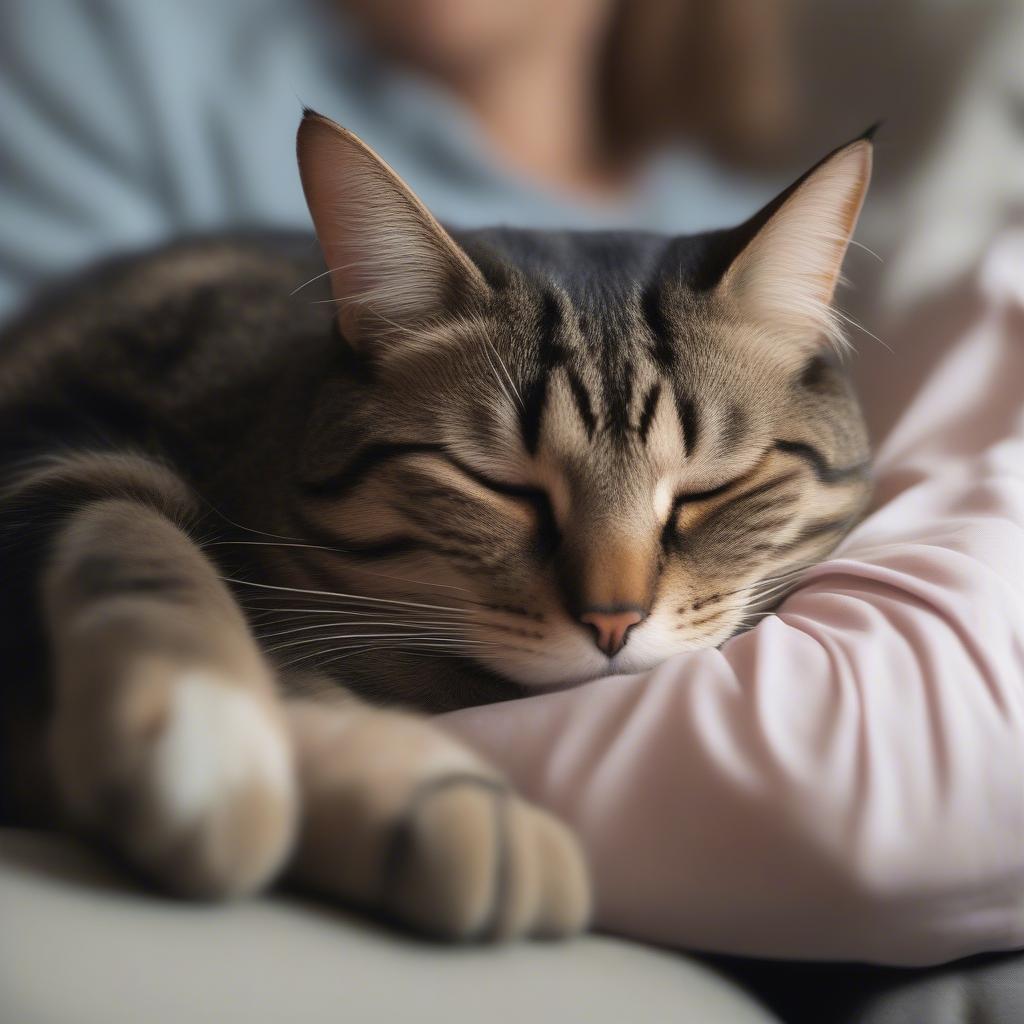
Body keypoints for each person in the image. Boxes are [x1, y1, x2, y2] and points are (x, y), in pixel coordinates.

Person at [2, 0, 1024, 966]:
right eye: (504, 490)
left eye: (706, 494)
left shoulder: (726, 225)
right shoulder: (134, 45)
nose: (613, 602)